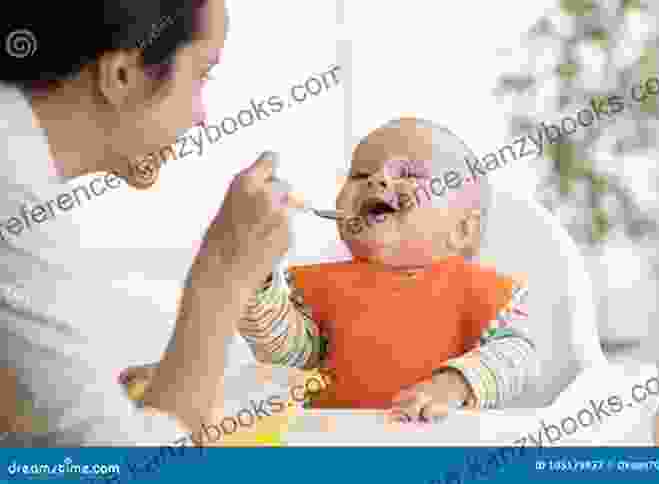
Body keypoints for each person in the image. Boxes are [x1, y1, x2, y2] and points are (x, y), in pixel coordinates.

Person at [0, 0, 295, 446]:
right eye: (201, 75)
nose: (202, 117)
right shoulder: (12, 188)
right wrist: (223, 278)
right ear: (121, 76)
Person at [122, 118, 539, 423]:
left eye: (408, 174)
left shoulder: (484, 295)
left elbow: (518, 357)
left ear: (462, 230)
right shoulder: (327, 290)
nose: (377, 180)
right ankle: (175, 392)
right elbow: (284, 349)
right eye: (361, 174)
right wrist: (255, 274)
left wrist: (453, 386)